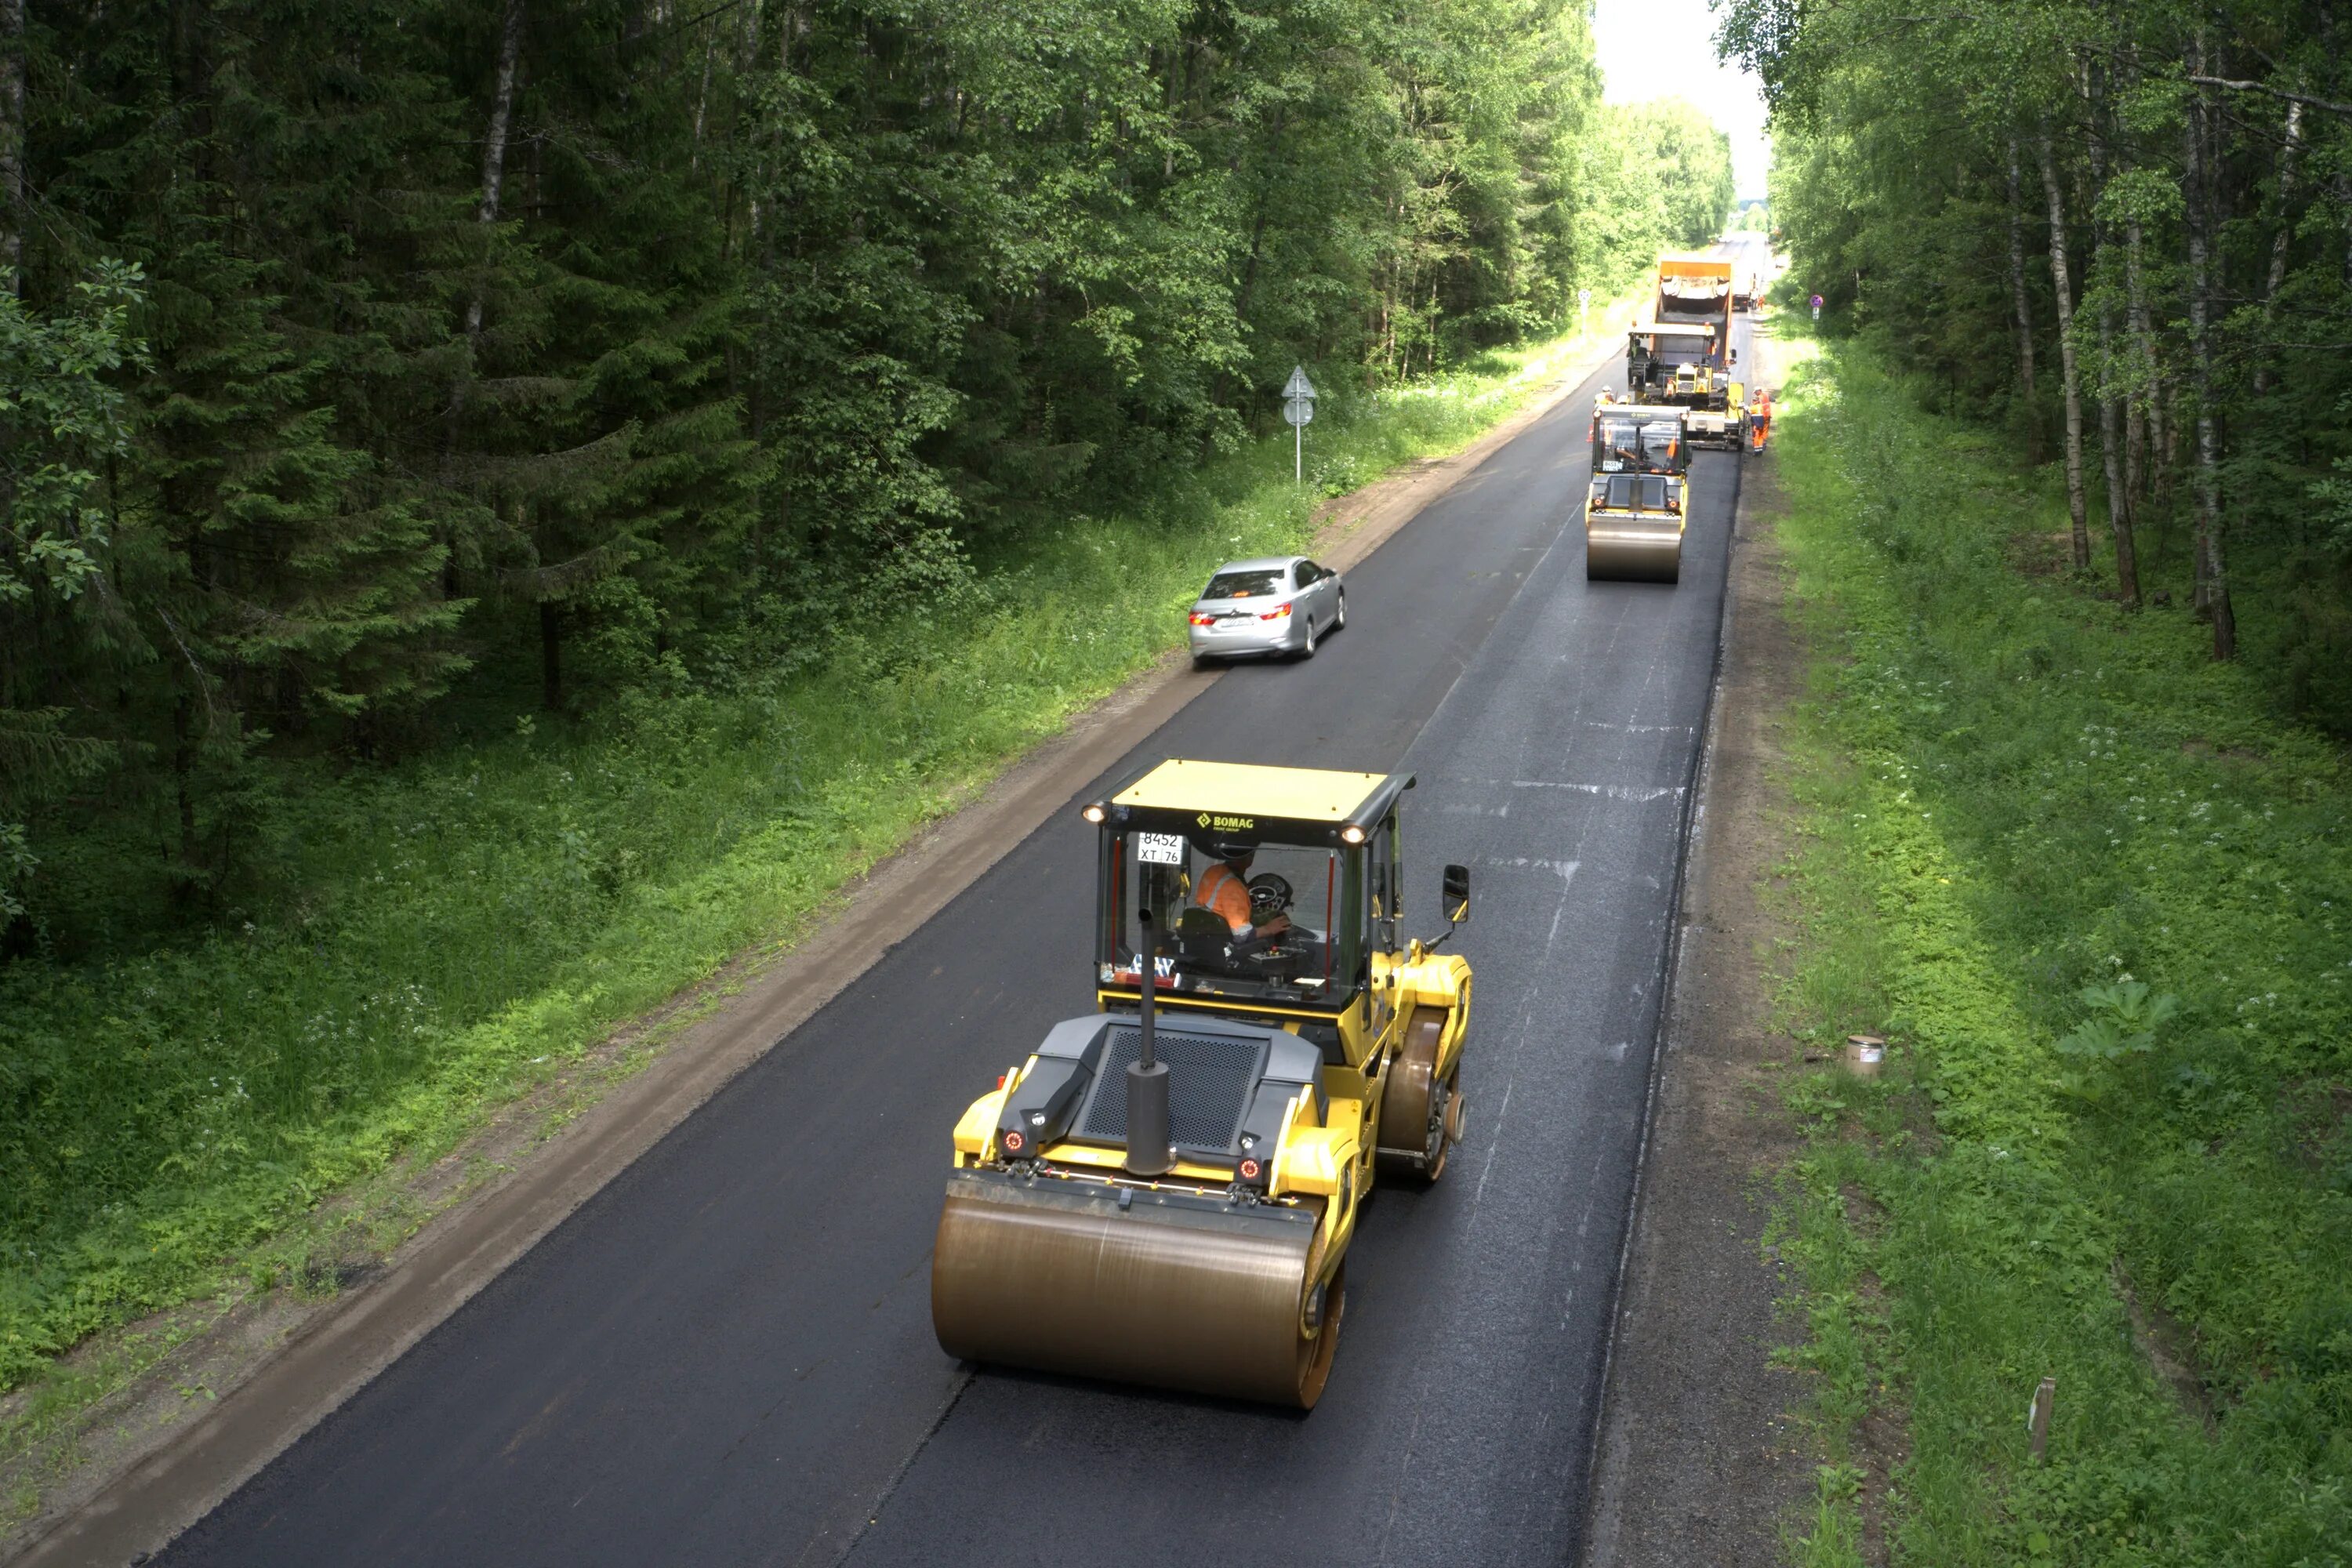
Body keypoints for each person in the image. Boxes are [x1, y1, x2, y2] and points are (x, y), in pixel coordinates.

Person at [1196, 848, 1290, 943]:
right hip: (1226, 937)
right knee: (1279, 917)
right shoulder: (1234, 888)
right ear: (1249, 858)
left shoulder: (1213, 871)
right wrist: (1268, 929)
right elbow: (1243, 936)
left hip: (1208, 927)